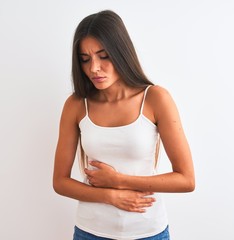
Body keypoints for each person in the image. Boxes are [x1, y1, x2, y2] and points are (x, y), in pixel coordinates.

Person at [53, 10, 195, 240]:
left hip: (148, 232)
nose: (94, 68)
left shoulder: (156, 98)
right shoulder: (76, 105)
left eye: (103, 56)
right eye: (85, 59)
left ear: (121, 53)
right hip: (90, 232)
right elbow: (60, 182)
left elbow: (187, 180)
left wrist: (119, 181)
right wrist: (111, 196)